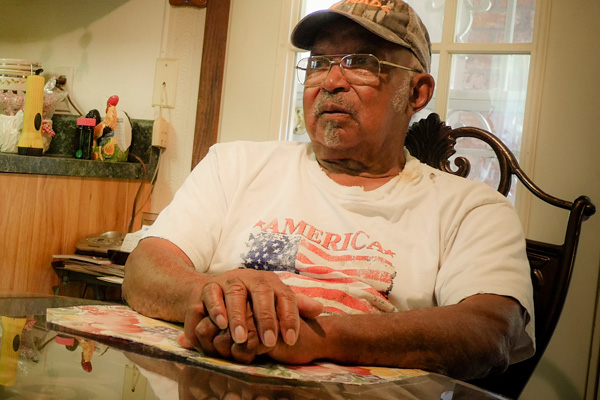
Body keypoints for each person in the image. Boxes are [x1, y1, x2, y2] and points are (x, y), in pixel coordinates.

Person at [122, 0, 534, 381]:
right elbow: (145, 267)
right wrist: (216, 297)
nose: (331, 81)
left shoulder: (473, 209)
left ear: (416, 92)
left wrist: (320, 337)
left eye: (359, 62)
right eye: (319, 63)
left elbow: (490, 331)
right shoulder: (235, 165)